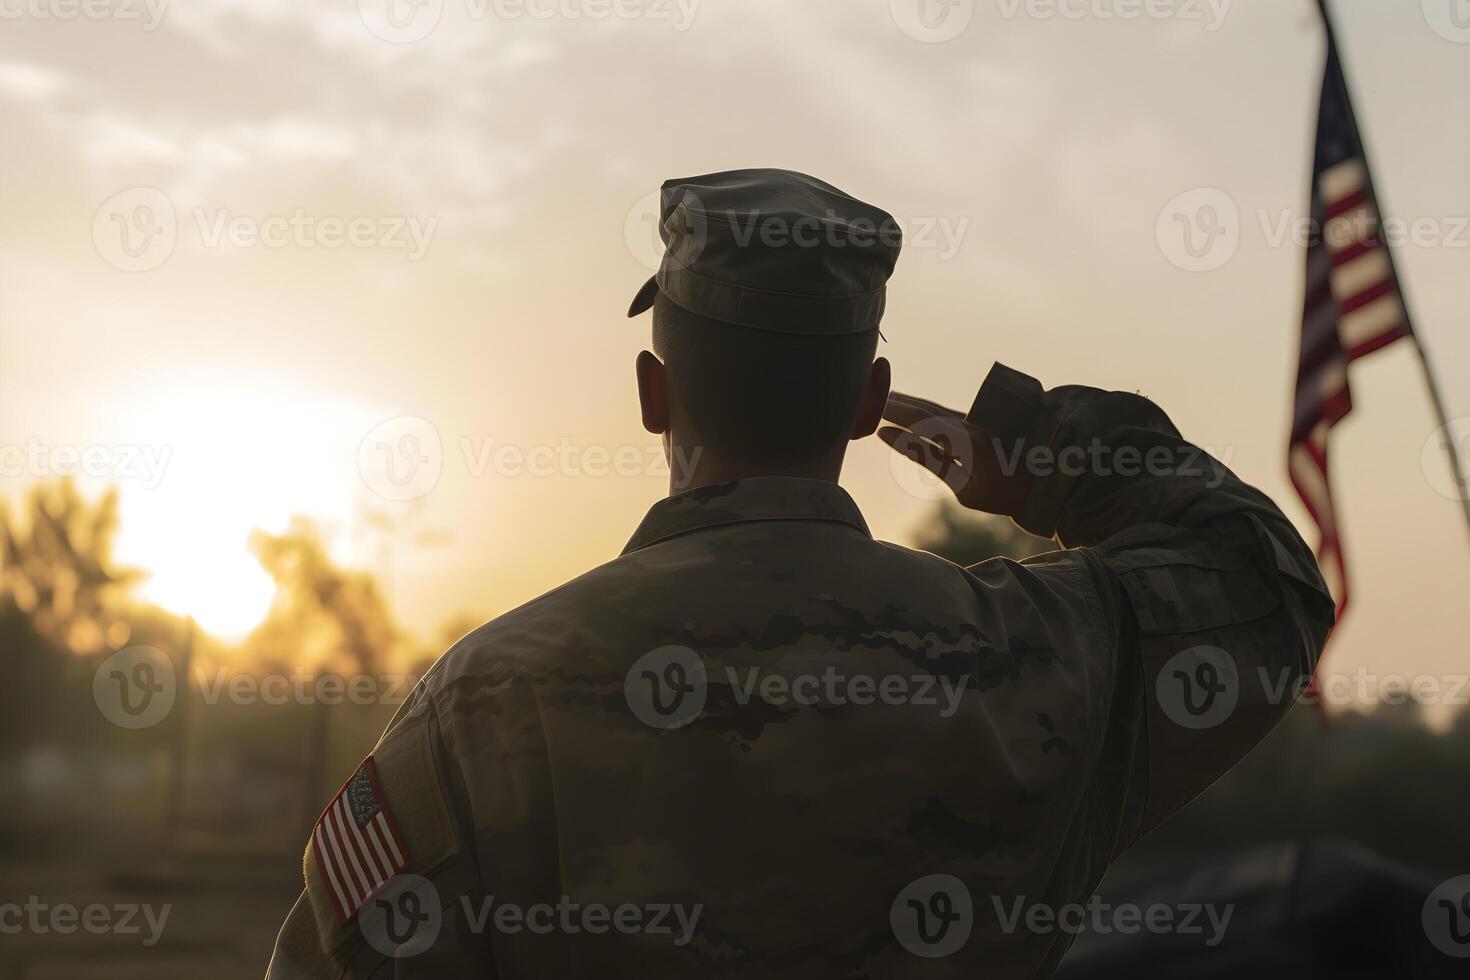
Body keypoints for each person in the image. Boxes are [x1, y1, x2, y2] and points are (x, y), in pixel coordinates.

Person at [265, 169, 1333, 979]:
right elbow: (1263, 571)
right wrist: (1043, 450)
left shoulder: (489, 696)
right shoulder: (1046, 652)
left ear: (653, 389)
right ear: (869, 401)